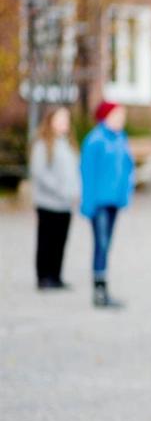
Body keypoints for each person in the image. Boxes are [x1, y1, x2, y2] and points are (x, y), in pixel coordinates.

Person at [80, 101, 134, 309]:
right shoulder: (95, 140)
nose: (122, 119)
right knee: (101, 244)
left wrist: (125, 194)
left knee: (107, 244)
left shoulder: (121, 138)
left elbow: (126, 168)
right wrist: (87, 203)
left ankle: (102, 284)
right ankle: (99, 290)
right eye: (118, 115)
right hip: (99, 202)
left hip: (114, 201)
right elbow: (87, 173)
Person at [30, 106, 80, 290]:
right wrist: (61, 190)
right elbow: (40, 173)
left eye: (66, 119)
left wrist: (76, 192)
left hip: (65, 204)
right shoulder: (42, 144)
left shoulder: (68, 144)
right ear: (50, 121)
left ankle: (56, 276)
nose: (64, 123)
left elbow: (74, 172)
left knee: (60, 241)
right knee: (46, 241)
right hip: (48, 202)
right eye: (60, 119)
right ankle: (43, 277)